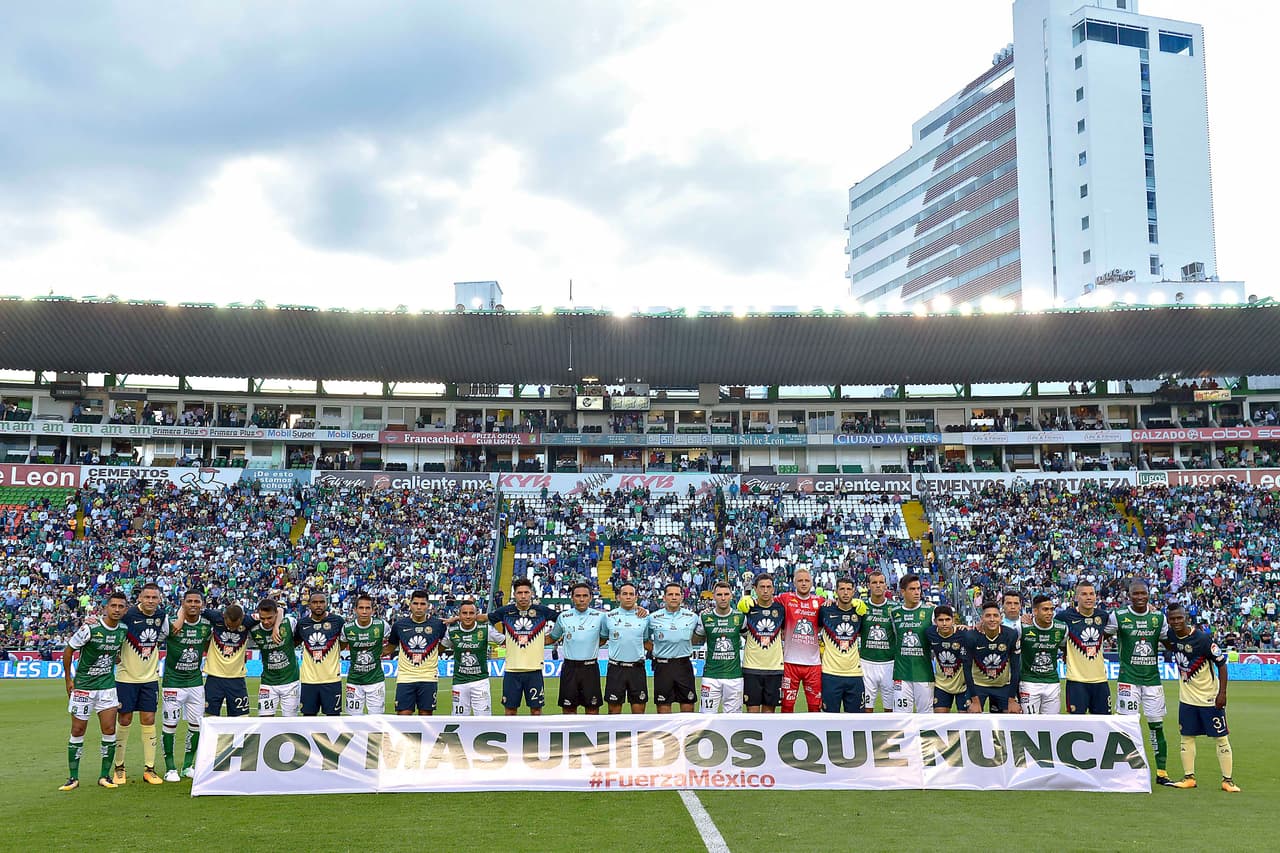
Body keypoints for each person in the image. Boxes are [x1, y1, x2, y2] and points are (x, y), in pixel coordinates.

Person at [1165, 603, 1239, 792]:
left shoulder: (1203, 639)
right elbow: (1169, 645)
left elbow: (1222, 665)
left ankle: (1227, 781)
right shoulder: (1171, 636)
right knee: (1186, 737)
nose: (1176, 621)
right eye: (1172, 618)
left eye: (1179, 617)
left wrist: (1222, 693)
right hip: (1187, 699)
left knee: (1221, 738)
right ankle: (1189, 777)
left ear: (1186, 617)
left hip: (1209, 699)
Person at [60, 591, 128, 791]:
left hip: (107, 688)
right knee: (78, 730)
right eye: (113, 606)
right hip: (83, 687)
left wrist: (113, 658)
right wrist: (68, 679)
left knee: (109, 730)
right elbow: (69, 649)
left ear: (125, 609)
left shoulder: (122, 629)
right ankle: (73, 778)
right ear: (106, 607)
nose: (116, 609)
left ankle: (104, 776)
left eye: (120, 606)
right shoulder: (90, 628)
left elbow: (115, 652)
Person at [1108, 580, 1174, 786]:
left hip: (1153, 681)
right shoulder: (1118, 616)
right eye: (1135, 594)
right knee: (1127, 726)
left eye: (1142, 594)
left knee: (1156, 726)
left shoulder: (1158, 618)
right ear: (1129, 595)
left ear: (1148, 595)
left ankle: (1161, 772)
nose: (1139, 597)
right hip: (1128, 680)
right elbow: (1100, 634)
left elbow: (1169, 642)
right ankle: (1125, 770)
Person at [112, 582, 168, 785]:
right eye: (147, 597)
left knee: (149, 719)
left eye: (154, 597)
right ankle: (119, 767)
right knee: (124, 720)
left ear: (159, 599)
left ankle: (150, 769)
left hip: (150, 678)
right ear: (140, 598)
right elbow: (111, 631)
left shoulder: (162, 617)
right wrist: (114, 654)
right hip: (126, 678)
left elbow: (168, 634)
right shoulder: (127, 616)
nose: (151, 601)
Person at [486, 578, 558, 716]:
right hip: (512, 670)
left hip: (535, 670)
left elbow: (562, 621)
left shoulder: (542, 611)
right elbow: (486, 620)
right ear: (514, 594)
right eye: (520, 593)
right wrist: (500, 638)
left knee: (536, 711)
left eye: (526, 592)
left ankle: (536, 737)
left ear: (532, 593)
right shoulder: (506, 611)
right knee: (510, 711)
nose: (523, 596)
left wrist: (552, 637)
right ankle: (512, 738)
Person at [160, 591, 212, 781]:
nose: (193, 604)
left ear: (202, 604)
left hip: (196, 683)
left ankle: (188, 766)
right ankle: (170, 768)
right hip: (173, 683)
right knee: (170, 724)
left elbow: (207, 646)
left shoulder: (206, 625)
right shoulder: (172, 623)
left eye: (196, 601)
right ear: (182, 603)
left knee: (196, 725)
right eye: (189, 601)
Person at [549, 583, 607, 714]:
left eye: (585, 596)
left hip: (590, 668)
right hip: (570, 668)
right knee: (568, 710)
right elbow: (552, 637)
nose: (581, 599)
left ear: (591, 598)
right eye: (578, 596)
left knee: (592, 710)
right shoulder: (563, 617)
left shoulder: (600, 617)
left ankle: (591, 734)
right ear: (572, 598)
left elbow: (603, 638)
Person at [1057, 580, 1113, 714]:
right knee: (1077, 725)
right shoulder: (1064, 617)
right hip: (1076, 681)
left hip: (1100, 680)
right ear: (1076, 597)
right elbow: (1051, 632)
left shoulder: (1103, 616)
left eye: (1091, 594)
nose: (1089, 597)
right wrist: (1065, 651)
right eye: (1084, 594)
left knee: (1104, 724)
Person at [387, 590, 446, 716]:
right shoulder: (399, 625)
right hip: (405, 678)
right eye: (415, 603)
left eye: (422, 604)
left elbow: (444, 644)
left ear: (428, 605)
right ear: (410, 605)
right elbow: (390, 648)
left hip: (428, 677)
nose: (419, 607)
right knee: (403, 715)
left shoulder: (438, 624)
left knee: (426, 717)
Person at [775, 567, 824, 713]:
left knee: (815, 706)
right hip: (790, 663)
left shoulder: (820, 601)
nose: (803, 583)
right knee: (787, 706)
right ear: (794, 583)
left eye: (807, 580)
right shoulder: (785, 598)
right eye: (800, 580)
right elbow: (765, 602)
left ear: (812, 583)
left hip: (813, 664)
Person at [443, 600, 503, 716]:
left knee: (484, 720)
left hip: (480, 682)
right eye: (464, 613)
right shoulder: (451, 630)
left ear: (476, 614)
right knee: (458, 719)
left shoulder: (486, 629)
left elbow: (504, 640)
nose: (468, 616)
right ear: (459, 615)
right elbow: (442, 647)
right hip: (459, 682)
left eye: (471, 613)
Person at [695, 582, 746, 713]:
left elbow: (750, 639)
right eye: (719, 595)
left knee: (734, 720)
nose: (723, 598)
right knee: (706, 718)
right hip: (711, 676)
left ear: (731, 596)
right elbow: (695, 640)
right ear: (713, 596)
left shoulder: (740, 617)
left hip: (734, 677)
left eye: (726, 594)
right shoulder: (705, 617)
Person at [817, 577, 867, 712]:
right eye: (842, 589)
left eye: (849, 589)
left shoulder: (860, 612)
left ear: (854, 592)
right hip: (830, 674)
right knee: (829, 719)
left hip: (854, 674)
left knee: (857, 720)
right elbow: (815, 629)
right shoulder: (825, 610)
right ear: (836, 591)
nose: (845, 593)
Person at [738, 574, 786, 713]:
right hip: (751, 667)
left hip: (774, 668)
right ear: (755, 589)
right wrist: (741, 604)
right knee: (752, 714)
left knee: (769, 715)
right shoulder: (747, 608)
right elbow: (740, 629)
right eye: (762, 587)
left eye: (768, 587)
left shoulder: (781, 609)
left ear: (773, 589)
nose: (765, 590)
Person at [648, 583, 699, 713]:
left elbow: (698, 637)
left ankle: (686, 734)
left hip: (684, 665)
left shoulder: (692, 617)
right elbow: (644, 639)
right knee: (663, 707)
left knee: (688, 706)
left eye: (677, 594)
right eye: (670, 594)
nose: (674, 597)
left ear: (682, 597)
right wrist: (656, 651)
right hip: (663, 666)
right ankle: (667, 734)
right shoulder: (652, 618)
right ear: (664, 598)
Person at [963, 601, 1022, 713]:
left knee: (1011, 717)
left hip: (1002, 686)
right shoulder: (971, 636)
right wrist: (975, 700)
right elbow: (966, 669)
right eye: (988, 616)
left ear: (1001, 618)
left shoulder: (1011, 635)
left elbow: (1015, 669)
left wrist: (1012, 699)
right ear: (982, 618)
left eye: (995, 615)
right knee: (971, 717)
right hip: (978, 686)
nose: (992, 619)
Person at [602, 583, 652, 714]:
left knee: (639, 713)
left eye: (631, 594)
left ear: (636, 597)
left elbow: (646, 641)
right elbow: (601, 639)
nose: (628, 597)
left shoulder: (645, 617)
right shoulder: (608, 617)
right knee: (613, 712)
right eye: (625, 594)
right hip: (615, 669)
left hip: (637, 669)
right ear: (618, 597)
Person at [249, 598, 301, 717]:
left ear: (276, 615)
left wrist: (276, 627)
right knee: (264, 720)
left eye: (269, 618)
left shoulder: (289, 622)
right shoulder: (254, 629)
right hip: (268, 682)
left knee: (290, 723)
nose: (266, 621)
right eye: (263, 618)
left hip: (291, 682)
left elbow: (281, 610)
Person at [297, 591, 345, 717]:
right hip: (308, 680)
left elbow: (344, 643)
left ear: (327, 603)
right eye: (315, 602)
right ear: (309, 605)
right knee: (308, 719)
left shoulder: (337, 621)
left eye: (321, 602)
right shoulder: (302, 624)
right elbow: (295, 642)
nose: (318, 605)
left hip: (332, 679)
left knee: (333, 719)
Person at [891, 574, 934, 714]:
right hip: (901, 674)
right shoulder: (894, 613)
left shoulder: (930, 612)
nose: (917, 592)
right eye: (912, 589)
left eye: (918, 589)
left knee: (926, 716)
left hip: (924, 674)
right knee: (900, 717)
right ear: (903, 592)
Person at [1019, 594, 1067, 715]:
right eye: (1045, 609)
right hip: (1029, 682)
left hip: (1052, 682)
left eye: (1052, 609)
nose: (1050, 613)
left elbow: (1065, 647)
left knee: (1051, 724)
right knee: (1029, 723)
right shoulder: (1023, 627)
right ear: (1035, 611)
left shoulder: (1062, 628)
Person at [341, 594, 388, 715]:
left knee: (377, 721)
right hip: (354, 681)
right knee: (354, 721)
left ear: (373, 610)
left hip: (376, 681)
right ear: (355, 610)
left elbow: (394, 641)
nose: (364, 611)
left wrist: (384, 652)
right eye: (361, 608)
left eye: (368, 608)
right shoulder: (347, 628)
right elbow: (340, 647)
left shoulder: (382, 625)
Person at [204, 604, 252, 718]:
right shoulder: (215, 617)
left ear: (242, 619)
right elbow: (191, 608)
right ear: (224, 617)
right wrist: (180, 619)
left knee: (241, 720)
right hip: (214, 678)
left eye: (235, 627)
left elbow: (276, 611)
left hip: (237, 679)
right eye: (229, 626)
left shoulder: (249, 621)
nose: (231, 629)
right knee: (209, 719)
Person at [859, 571, 896, 711]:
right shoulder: (861, 607)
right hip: (866, 663)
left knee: (890, 710)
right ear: (869, 585)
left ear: (886, 585)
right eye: (874, 582)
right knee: (866, 709)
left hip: (889, 664)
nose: (878, 585)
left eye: (881, 582)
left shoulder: (894, 608)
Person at [925, 604, 967, 712]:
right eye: (940, 620)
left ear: (953, 620)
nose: (944, 623)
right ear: (935, 621)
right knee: (940, 719)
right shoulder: (930, 633)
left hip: (963, 686)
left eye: (947, 619)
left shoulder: (963, 634)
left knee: (966, 721)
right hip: (941, 685)